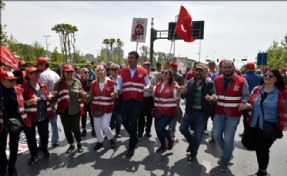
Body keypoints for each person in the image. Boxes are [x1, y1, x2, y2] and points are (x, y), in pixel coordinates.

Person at [209, 59, 250, 172]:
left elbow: (246, 95)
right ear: (221, 69)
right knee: (216, 135)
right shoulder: (217, 79)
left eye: (229, 67)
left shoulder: (242, 80)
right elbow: (215, 92)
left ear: (233, 67)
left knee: (228, 139)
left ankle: (225, 160)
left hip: (234, 115)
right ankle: (228, 153)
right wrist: (213, 97)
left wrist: (243, 102)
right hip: (219, 113)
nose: (227, 69)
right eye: (224, 67)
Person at [244, 68, 287, 176]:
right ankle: (264, 151)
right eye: (266, 75)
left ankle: (262, 171)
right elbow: (250, 101)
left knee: (261, 149)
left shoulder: (282, 93)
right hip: (254, 122)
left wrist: (284, 123)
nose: (267, 77)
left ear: (276, 79)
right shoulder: (257, 89)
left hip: (270, 125)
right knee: (247, 142)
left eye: (270, 76)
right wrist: (248, 105)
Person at [115, 51, 150, 157]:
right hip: (126, 99)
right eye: (129, 57)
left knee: (134, 122)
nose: (130, 59)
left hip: (137, 100)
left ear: (137, 59)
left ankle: (131, 147)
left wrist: (147, 87)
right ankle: (134, 137)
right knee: (125, 121)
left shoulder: (143, 71)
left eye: (132, 58)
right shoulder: (123, 71)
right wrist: (117, 90)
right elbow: (119, 84)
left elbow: (148, 83)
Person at [179, 64, 214, 162]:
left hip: (202, 113)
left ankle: (194, 153)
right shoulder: (190, 82)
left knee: (198, 135)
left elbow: (213, 95)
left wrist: (211, 98)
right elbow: (184, 96)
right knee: (182, 129)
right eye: (197, 70)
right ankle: (191, 142)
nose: (198, 72)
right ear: (194, 71)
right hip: (190, 111)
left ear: (205, 72)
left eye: (201, 71)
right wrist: (182, 92)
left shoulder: (209, 83)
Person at [22, 67, 54, 165]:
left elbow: (48, 96)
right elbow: (19, 102)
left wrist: (50, 96)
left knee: (44, 135)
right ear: (29, 76)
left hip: (43, 116)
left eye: (38, 74)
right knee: (31, 138)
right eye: (34, 74)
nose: (38, 75)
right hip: (30, 118)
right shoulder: (24, 88)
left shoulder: (43, 86)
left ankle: (44, 149)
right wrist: (27, 102)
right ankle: (34, 155)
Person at [0, 70, 29, 176]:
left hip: (15, 123)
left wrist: (27, 103)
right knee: (1, 147)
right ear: (2, 81)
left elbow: (23, 103)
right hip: (2, 124)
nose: (13, 82)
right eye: (11, 80)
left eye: (14, 80)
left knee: (14, 146)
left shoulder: (18, 90)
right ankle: (3, 165)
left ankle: (12, 166)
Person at [54, 64, 85, 154]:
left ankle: (79, 144)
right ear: (63, 73)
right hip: (63, 110)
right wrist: (51, 98)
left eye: (71, 71)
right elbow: (55, 96)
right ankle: (71, 144)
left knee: (76, 128)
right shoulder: (59, 84)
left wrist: (81, 92)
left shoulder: (77, 82)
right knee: (67, 129)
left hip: (75, 109)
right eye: (67, 71)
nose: (69, 73)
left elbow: (82, 93)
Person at [150, 69, 181, 153]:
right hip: (158, 111)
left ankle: (170, 140)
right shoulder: (158, 84)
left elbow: (176, 97)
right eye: (162, 73)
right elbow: (153, 93)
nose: (164, 74)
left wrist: (178, 91)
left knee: (160, 127)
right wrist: (149, 90)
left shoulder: (174, 85)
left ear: (170, 75)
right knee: (157, 129)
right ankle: (163, 146)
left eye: (166, 73)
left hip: (169, 111)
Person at [88, 65, 116, 151]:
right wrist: (82, 94)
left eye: (102, 70)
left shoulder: (111, 82)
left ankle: (111, 139)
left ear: (104, 71)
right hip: (96, 109)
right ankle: (99, 142)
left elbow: (114, 94)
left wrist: (114, 94)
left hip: (108, 108)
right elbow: (90, 96)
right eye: (98, 70)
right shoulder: (93, 83)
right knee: (97, 126)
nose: (100, 72)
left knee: (104, 126)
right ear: (95, 72)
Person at [35, 57, 61, 147]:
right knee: (54, 121)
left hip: (46, 102)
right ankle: (55, 140)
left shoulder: (43, 75)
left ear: (43, 64)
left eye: (38, 65)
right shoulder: (55, 74)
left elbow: (40, 90)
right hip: (55, 100)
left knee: (43, 124)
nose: (37, 67)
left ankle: (43, 143)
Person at [241, 62, 262, 130]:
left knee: (246, 117)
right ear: (254, 68)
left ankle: (246, 131)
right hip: (257, 100)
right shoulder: (260, 77)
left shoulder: (243, 76)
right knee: (256, 116)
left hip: (246, 100)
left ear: (246, 68)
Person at [167, 61, 184, 138]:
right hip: (166, 97)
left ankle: (172, 130)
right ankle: (169, 126)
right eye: (171, 68)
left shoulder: (180, 77)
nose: (172, 69)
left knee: (174, 114)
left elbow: (180, 88)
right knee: (167, 113)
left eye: (174, 68)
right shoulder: (166, 75)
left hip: (176, 98)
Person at [138, 62, 154, 138]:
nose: (147, 68)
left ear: (150, 68)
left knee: (149, 116)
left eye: (148, 67)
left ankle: (148, 130)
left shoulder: (154, 76)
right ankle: (140, 131)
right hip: (141, 98)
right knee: (140, 116)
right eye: (145, 67)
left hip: (150, 98)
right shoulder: (139, 75)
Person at [79, 68, 95, 137]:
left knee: (92, 116)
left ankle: (93, 129)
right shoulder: (78, 82)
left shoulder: (91, 81)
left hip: (90, 101)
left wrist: (89, 99)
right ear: (81, 74)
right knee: (83, 116)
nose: (87, 73)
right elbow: (78, 93)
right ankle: (84, 129)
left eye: (88, 72)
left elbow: (94, 92)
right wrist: (83, 99)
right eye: (85, 72)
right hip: (83, 102)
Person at [109, 63, 122, 138]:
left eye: (115, 69)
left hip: (119, 99)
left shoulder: (121, 79)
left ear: (118, 70)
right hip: (110, 100)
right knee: (110, 117)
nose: (113, 71)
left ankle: (118, 132)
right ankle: (109, 132)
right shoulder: (107, 79)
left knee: (119, 118)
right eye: (111, 69)